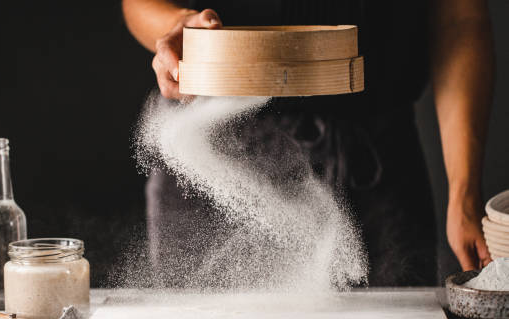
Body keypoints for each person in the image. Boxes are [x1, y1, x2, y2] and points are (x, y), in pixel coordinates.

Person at [122, 0, 495, 286]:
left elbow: (459, 16)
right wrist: (176, 24)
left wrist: (463, 193)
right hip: (211, 154)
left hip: (374, 159)